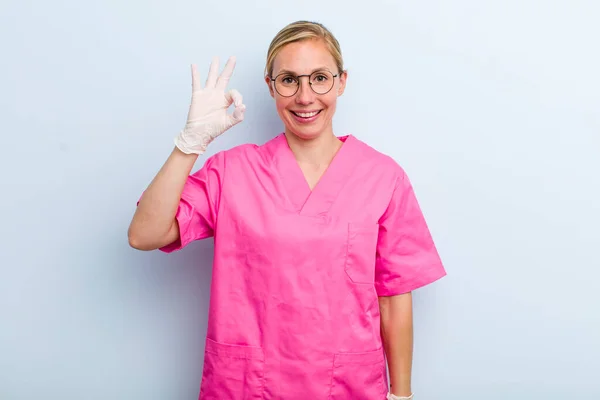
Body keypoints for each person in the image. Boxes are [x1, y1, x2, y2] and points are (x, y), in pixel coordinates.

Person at [128, 20, 446, 400]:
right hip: (248, 384)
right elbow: (143, 234)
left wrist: (402, 395)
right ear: (271, 86)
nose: (305, 96)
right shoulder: (233, 171)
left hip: (347, 386)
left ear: (342, 82)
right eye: (289, 80)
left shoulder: (382, 176)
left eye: (320, 78)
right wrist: (190, 143)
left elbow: (394, 300)